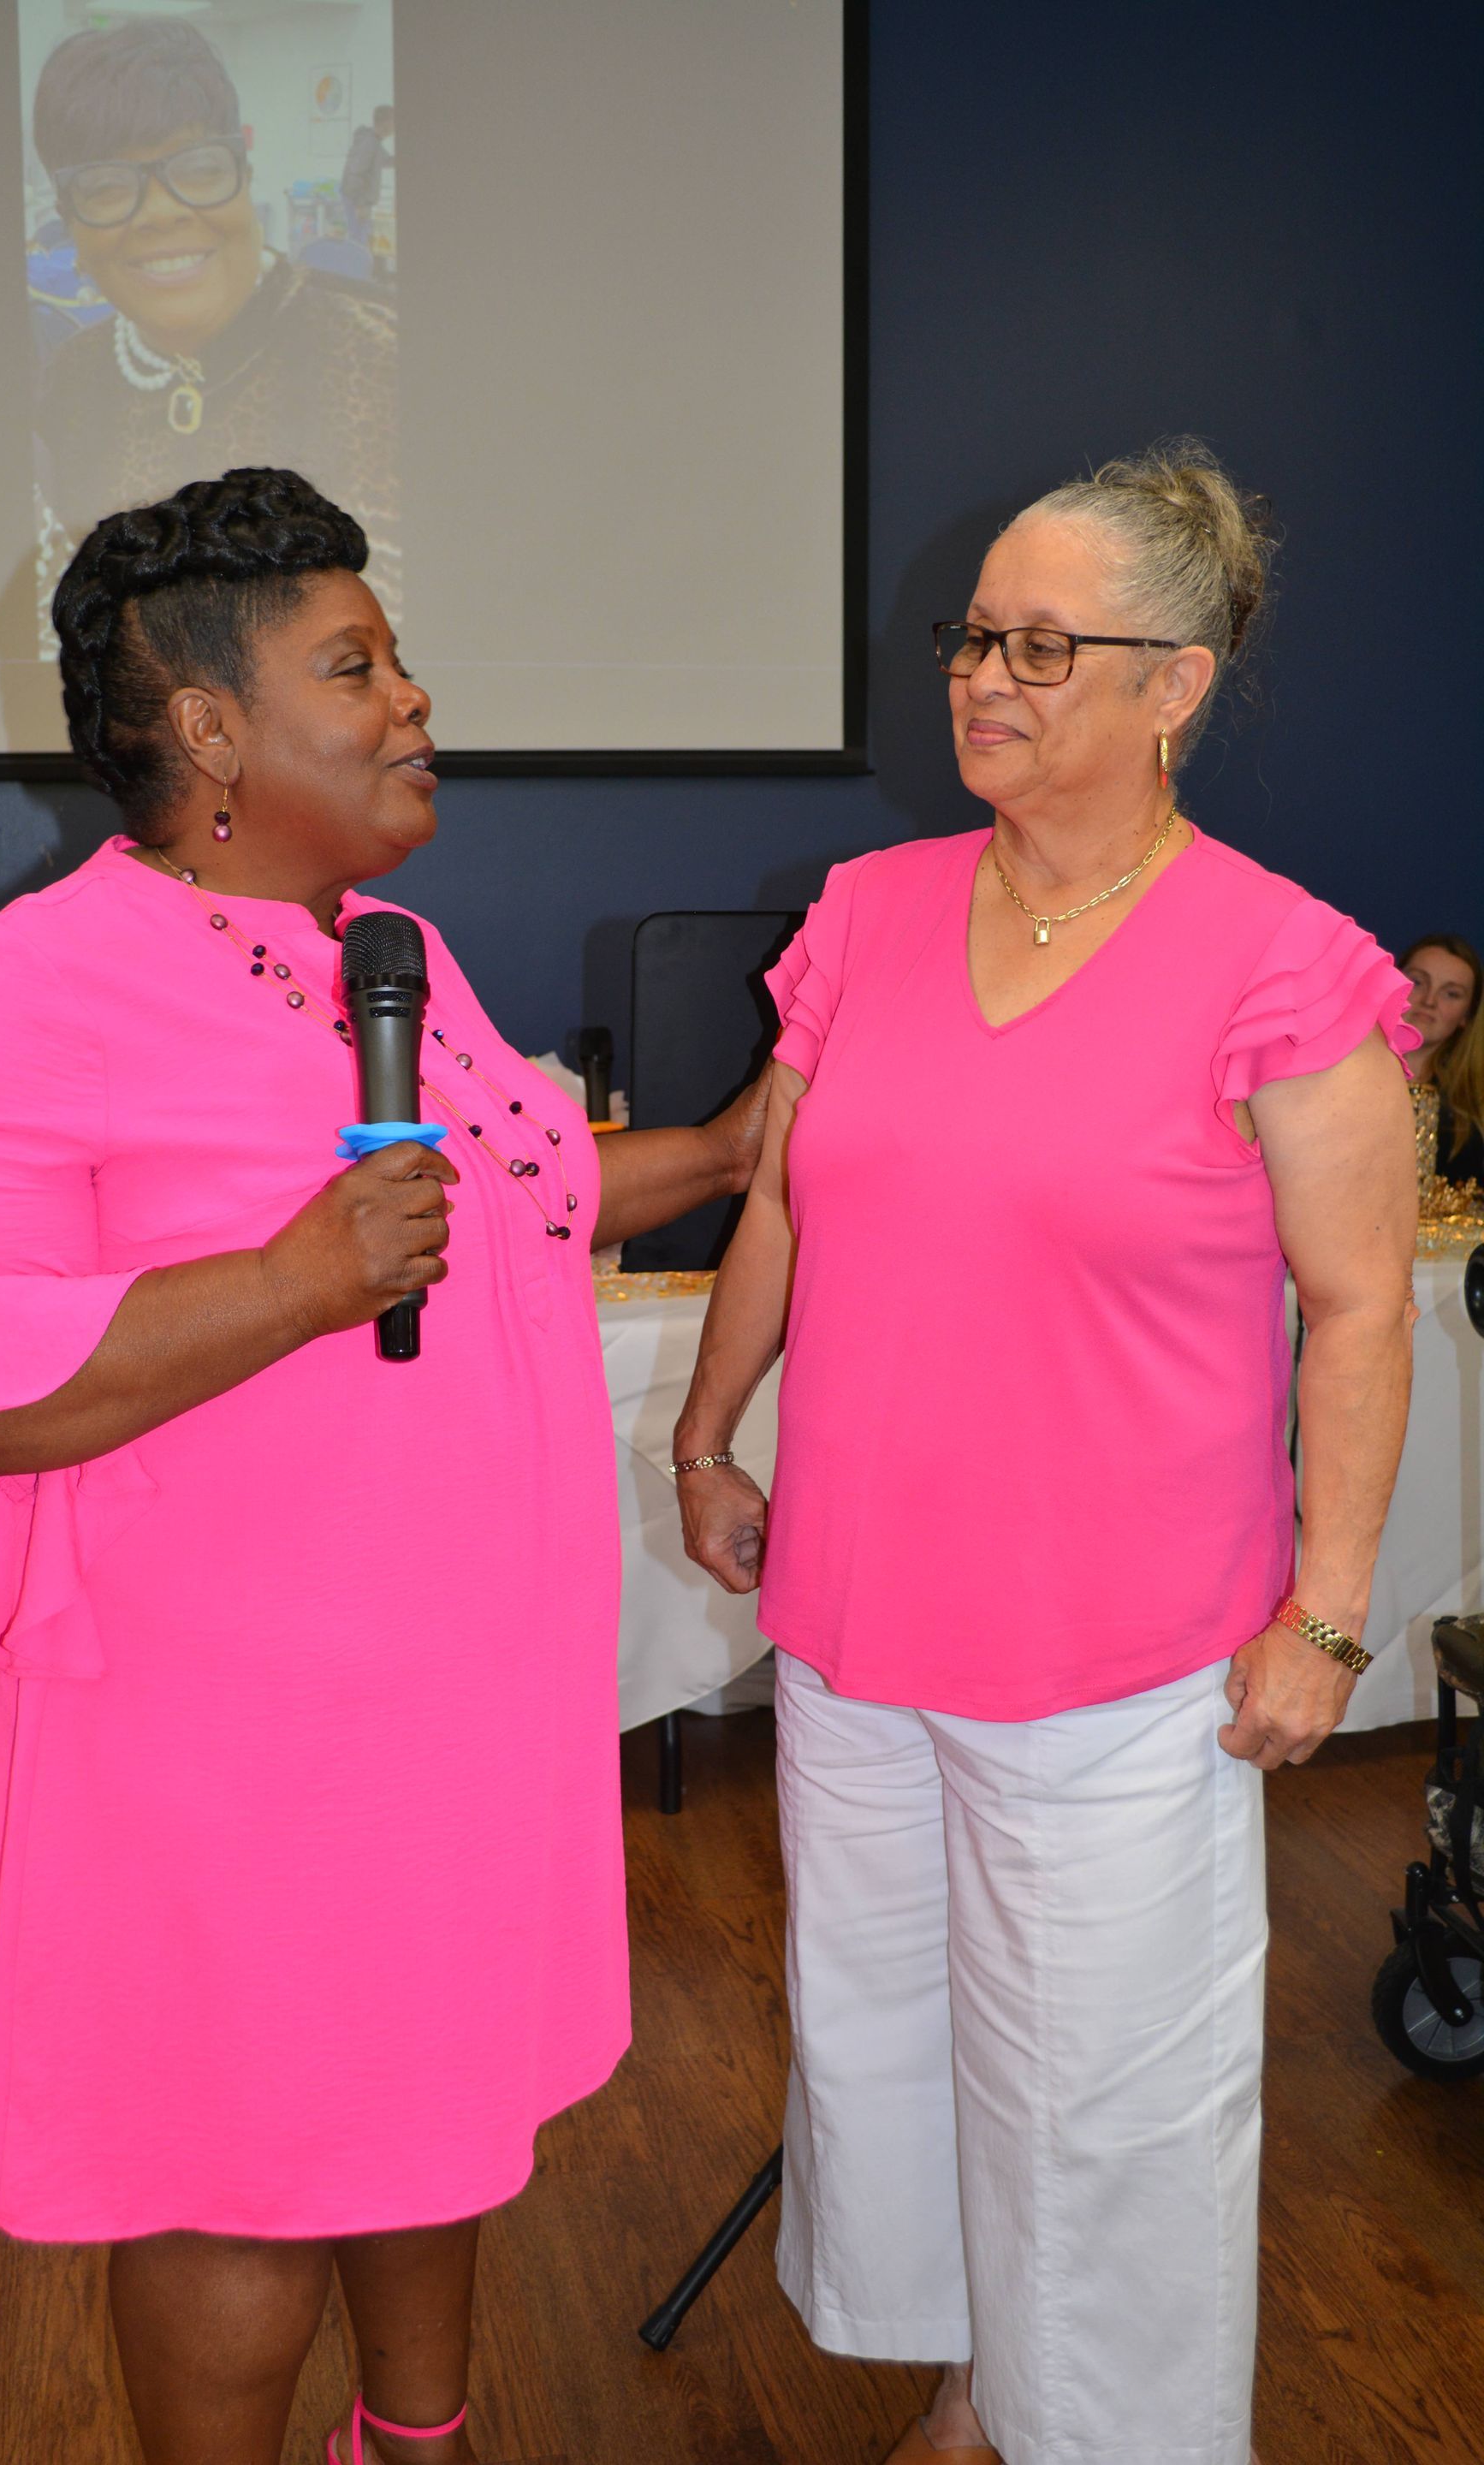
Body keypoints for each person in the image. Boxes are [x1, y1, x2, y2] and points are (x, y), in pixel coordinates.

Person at [0, 466, 768, 2465]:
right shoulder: (11, 990)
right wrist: (286, 1283)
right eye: (355, 665)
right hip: (218, 1744)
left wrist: (733, 1145)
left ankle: (413, 2445)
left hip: (449, 1708)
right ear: (208, 727)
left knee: (429, 2110)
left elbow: (517, 1189)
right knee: (237, 2172)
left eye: (397, 656)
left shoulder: (394, 958)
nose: (413, 698)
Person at [672, 443, 1418, 2465]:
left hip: (1122, 1653)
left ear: (1173, 685)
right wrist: (708, 1432)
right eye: (972, 636)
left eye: (1038, 645)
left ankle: (1114, 2430)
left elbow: (1361, 1309)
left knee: (1104, 2096)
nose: (980, 677)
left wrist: (1325, 1618)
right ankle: (982, 2384)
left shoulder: (1283, 962)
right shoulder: (869, 911)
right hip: (854, 1618)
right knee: (894, 2041)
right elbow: (781, 1195)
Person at [30, 21, 398, 634]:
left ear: (245, 176)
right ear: (69, 223)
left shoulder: (384, 356)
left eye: (199, 168)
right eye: (107, 187)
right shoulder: (71, 383)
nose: (161, 212)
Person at [1398, 934, 1484, 1187]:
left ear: (1466, 1015)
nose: (1429, 1001)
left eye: (1451, 994)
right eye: (1417, 982)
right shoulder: (1340, 1079)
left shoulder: (1476, 1110)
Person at [342, 105, 395, 255]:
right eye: (394, 122)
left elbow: (385, 161)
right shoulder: (369, 142)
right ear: (386, 123)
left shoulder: (374, 141)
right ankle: (355, 268)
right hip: (356, 198)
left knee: (361, 238)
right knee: (358, 241)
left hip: (358, 197)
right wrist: (360, 204)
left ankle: (357, 266)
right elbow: (356, 173)